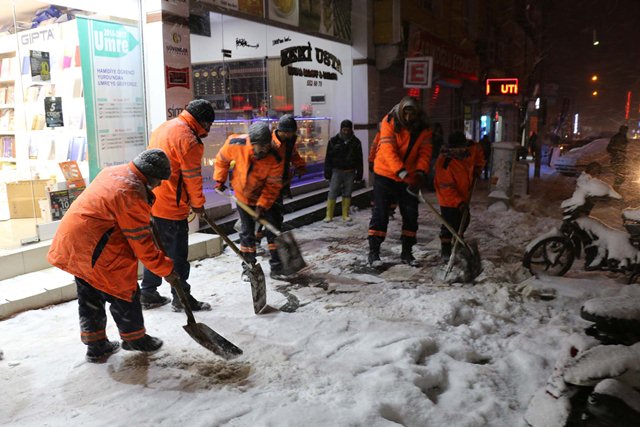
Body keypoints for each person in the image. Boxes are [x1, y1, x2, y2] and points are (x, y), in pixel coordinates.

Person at [47, 149, 181, 363]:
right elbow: (143, 246)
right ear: (151, 176)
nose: (159, 186)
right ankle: (134, 338)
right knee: (123, 291)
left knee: (90, 294)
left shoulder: (116, 172)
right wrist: (166, 269)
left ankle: (96, 345)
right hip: (96, 247)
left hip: (75, 241)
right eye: (159, 181)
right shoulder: (132, 192)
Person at [139, 99, 215, 312]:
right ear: (203, 122)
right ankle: (181, 297)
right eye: (208, 125)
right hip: (171, 204)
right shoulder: (189, 140)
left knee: (156, 249)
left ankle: (148, 292)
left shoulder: (165, 126)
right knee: (177, 255)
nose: (208, 130)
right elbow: (192, 178)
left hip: (152, 198)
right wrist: (198, 204)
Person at [213, 121, 285, 280]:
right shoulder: (235, 143)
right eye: (257, 146)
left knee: (273, 230)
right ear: (251, 142)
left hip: (266, 198)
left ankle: (277, 268)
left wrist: (262, 206)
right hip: (243, 196)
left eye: (264, 147)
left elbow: (272, 186)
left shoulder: (275, 158)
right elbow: (221, 159)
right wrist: (219, 179)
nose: (260, 150)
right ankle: (248, 268)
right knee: (247, 233)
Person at [368, 96, 432, 267]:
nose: (409, 118)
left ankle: (407, 252)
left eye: (412, 114)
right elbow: (388, 150)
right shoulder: (389, 121)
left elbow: (425, 152)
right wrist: (402, 173)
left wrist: (420, 173)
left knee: (411, 214)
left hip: (408, 177)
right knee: (381, 213)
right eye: (406, 114)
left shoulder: (424, 129)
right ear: (402, 112)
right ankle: (374, 252)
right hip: (386, 174)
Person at [254, 114, 307, 256]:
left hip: (280, 182)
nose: (291, 135)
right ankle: (257, 242)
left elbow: (293, 155)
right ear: (282, 130)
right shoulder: (269, 142)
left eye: (292, 132)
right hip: (267, 184)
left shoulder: (289, 142)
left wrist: (300, 165)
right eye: (290, 132)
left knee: (276, 214)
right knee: (263, 213)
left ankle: (274, 239)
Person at [434, 131, 475, 262]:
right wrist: (459, 203)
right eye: (461, 145)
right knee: (449, 225)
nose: (464, 148)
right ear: (454, 147)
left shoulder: (462, 157)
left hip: (461, 197)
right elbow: (446, 187)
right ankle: (446, 251)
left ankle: (457, 244)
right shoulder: (446, 162)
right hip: (449, 200)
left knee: (463, 220)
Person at [323, 119, 363, 222]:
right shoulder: (333, 141)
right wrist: (327, 173)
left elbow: (359, 159)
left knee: (347, 193)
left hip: (350, 171)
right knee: (333, 192)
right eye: (344, 130)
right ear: (341, 129)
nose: (346, 132)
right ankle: (329, 215)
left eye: (347, 130)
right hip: (336, 170)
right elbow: (328, 157)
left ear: (351, 130)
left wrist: (359, 173)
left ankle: (345, 214)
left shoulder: (356, 142)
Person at [607, 124, 629, 189]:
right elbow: (609, 148)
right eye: (624, 130)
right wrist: (617, 152)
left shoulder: (623, 137)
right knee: (620, 176)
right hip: (617, 160)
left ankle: (615, 189)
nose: (625, 131)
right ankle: (615, 190)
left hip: (620, 159)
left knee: (621, 176)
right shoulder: (617, 137)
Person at [425, 122, 444, 191]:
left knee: (433, 172)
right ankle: (430, 186)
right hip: (433, 156)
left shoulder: (437, 137)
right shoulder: (433, 137)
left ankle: (431, 185)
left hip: (435, 156)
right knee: (432, 172)